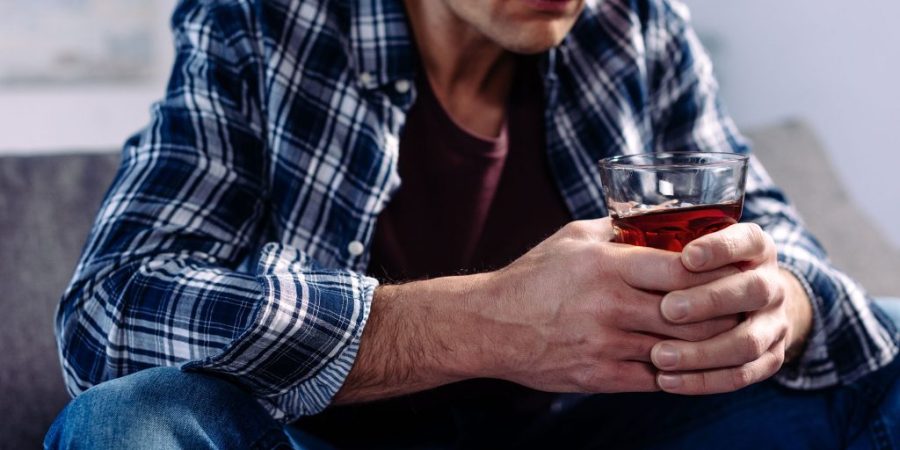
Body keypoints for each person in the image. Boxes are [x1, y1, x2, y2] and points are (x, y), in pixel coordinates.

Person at [46, 0, 899, 448]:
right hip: (318, 443)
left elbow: (783, 244)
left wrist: (782, 300)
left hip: (595, 435)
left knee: (886, 340)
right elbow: (112, 311)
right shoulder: (267, 20)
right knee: (129, 423)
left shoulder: (637, 26)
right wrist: (489, 323)